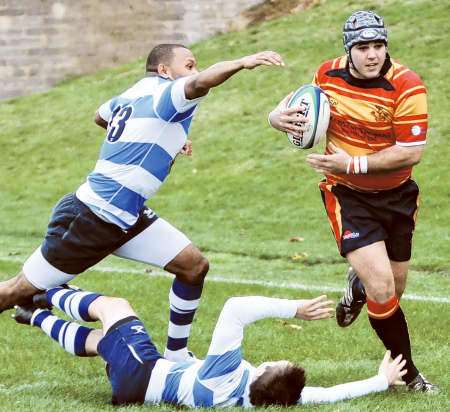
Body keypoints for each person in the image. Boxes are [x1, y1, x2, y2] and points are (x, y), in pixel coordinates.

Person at [0, 44, 285, 362]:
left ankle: (176, 355)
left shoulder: (135, 91)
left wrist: (163, 137)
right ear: (165, 70)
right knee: (16, 290)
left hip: (127, 215)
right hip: (92, 217)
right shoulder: (169, 94)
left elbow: (101, 115)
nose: (194, 71)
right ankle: (39, 297)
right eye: (189, 65)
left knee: (193, 266)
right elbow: (201, 82)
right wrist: (242, 62)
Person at [268, 11, 438, 392]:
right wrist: (274, 117)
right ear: (349, 50)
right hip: (347, 193)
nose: (372, 54)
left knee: (391, 290)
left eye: (378, 45)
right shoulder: (327, 74)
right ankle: (408, 374)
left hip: (397, 197)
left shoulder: (407, 86)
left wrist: (354, 161)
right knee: (382, 287)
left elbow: (411, 151)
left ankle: (356, 288)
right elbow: (296, 105)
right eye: (363, 47)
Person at [13, 286, 407, 407]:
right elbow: (329, 395)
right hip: (134, 387)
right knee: (101, 342)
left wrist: (294, 308)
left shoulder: (229, 372)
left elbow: (235, 309)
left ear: (267, 373)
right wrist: (379, 380)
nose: (282, 358)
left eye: (283, 362)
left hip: (143, 370)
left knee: (113, 307)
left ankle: (43, 293)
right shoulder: (259, 399)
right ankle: (31, 316)